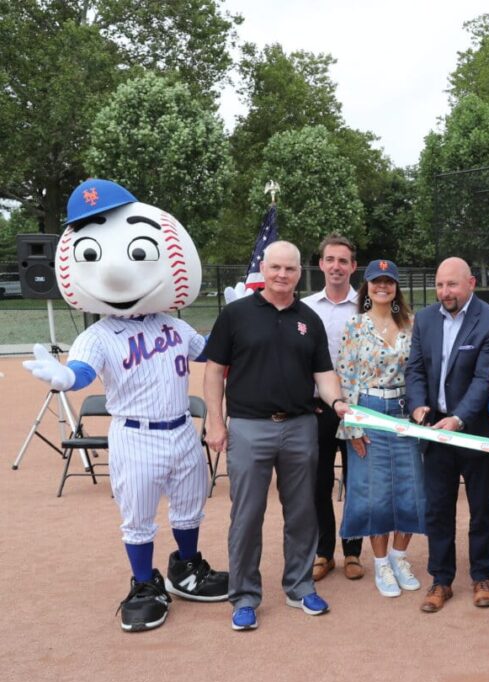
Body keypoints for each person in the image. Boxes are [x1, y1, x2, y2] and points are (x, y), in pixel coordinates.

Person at [22, 179, 228, 632]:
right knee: (137, 519)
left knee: (190, 507)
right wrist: (64, 378)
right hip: (135, 434)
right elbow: (81, 371)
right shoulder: (96, 335)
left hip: (180, 429)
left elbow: (207, 351)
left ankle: (186, 568)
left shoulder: (173, 325)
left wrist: (234, 321)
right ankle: (143, 583)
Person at [203, 240, 348, 631]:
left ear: (301, 273)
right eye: (276, 268)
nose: (282, 275)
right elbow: (214, 371)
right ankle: (245, 595)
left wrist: (336, 403)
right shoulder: (235, 315)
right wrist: (215, 423)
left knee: (302, 512)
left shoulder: (309, 319)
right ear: (264, 269)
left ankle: (299, 587)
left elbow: (324, 375)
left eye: (290, 269)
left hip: (301, 426)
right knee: (247, 515)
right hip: (249, 427)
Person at [405, 257, 489, 613]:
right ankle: (441, 580)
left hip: (475, 432)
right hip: (435, 433)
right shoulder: (424, 319)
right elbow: (415, 368)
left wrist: (459, 418)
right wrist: (419, 405)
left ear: (471, 283)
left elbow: (484, 379)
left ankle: (481, 574)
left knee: (481, 507)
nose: (444, 292)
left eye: (451, 285)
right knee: (438, 509)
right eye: (439, 285)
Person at [335, 259, 426, 598]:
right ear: (367, 287)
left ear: (397, 287)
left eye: (389, 281)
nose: (383, 286)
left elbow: (419, 372)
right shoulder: (355, 326)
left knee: (410, 487)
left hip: (404, 412)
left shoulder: (412, 325)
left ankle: (400, 558)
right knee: (374, 492)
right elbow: (345, 378)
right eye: (376, 281)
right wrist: (352, 427)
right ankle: (381, 563)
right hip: (369, 410)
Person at [303, 234, 363, 581]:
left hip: (357, 410)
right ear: (321, 264)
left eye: (343, 260)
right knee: (319, 483)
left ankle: (352, 551)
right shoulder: (307, 307)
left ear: (353, 266)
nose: (337, 266)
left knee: (356, 482)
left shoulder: (367, 306)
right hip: (319, 410)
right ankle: (323, 551)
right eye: (331, 260)